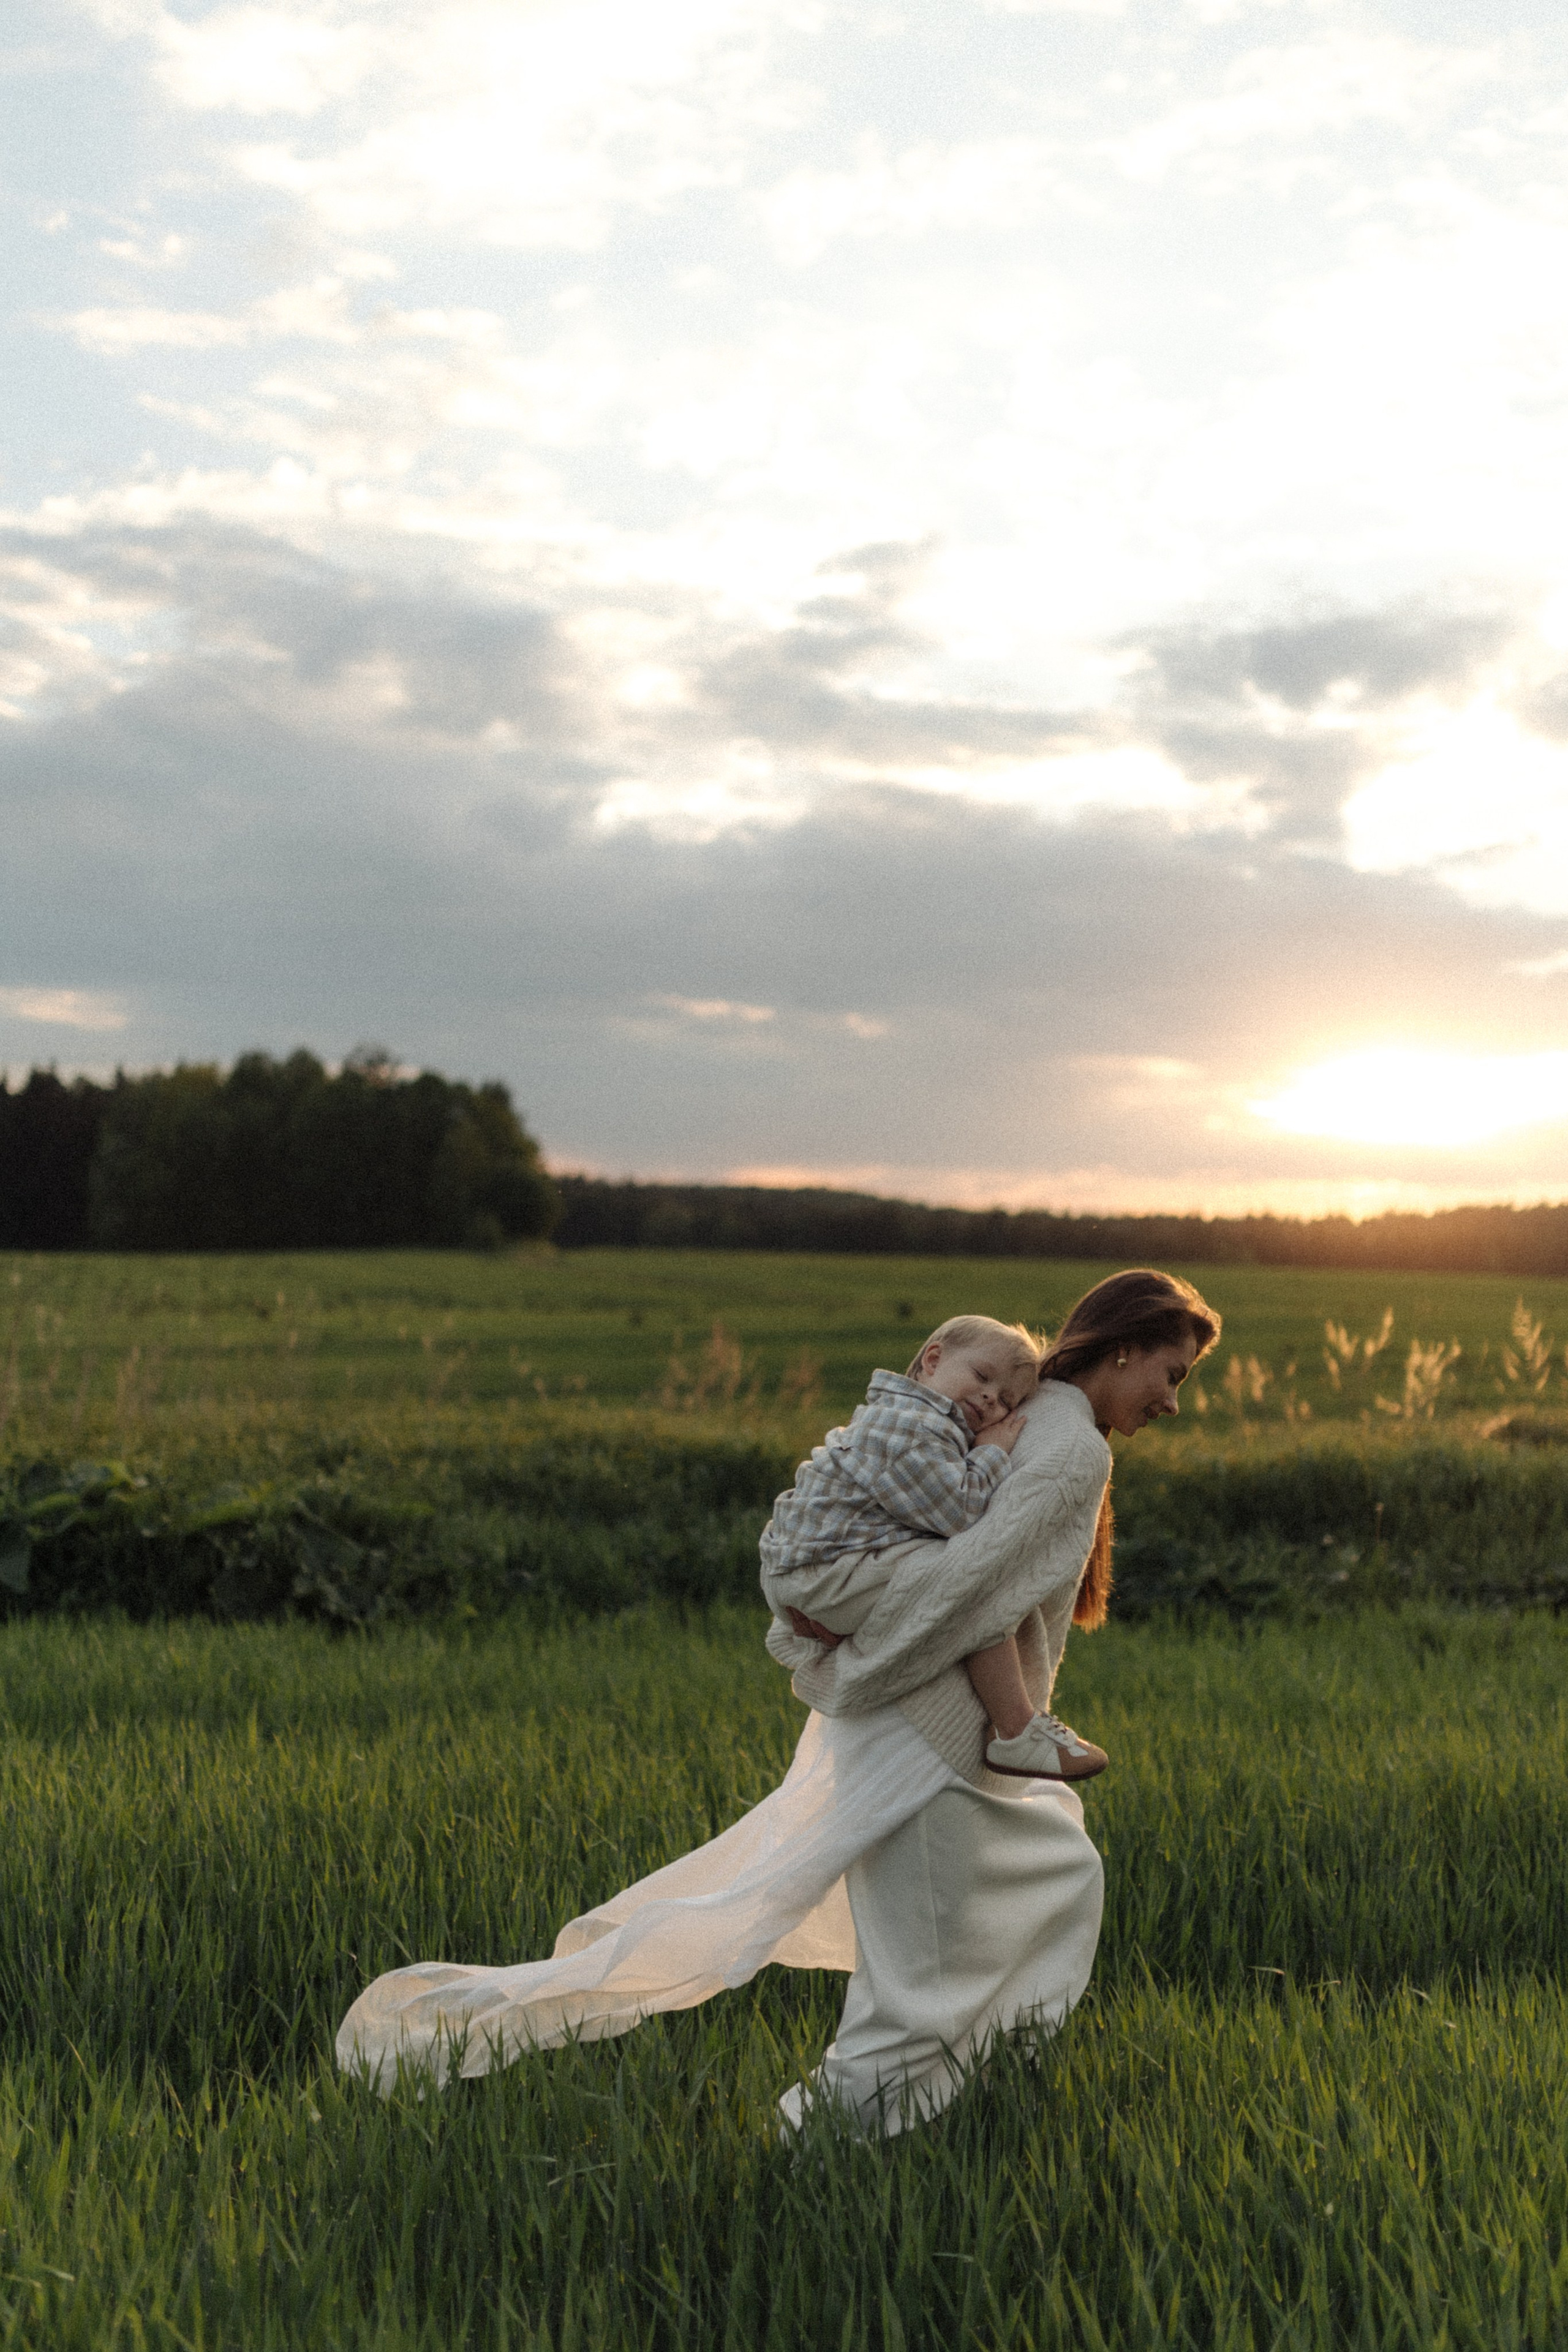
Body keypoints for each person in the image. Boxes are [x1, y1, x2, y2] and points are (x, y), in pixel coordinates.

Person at [335, 1268, 1221, 2136]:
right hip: (930, 1732)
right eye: (1171, 1375)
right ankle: (824, 2147)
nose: (1174, 1401)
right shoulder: (1069, 1446)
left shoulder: (1037, 1424)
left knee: (1044, 1875)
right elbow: (969, 1588)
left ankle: (968, 2095)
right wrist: (848, 1667)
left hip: (934, 1725)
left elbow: (934, 1557)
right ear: (1122, 1348)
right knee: (929, 1964)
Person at [758, 1313, 1109, 1783]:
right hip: (824, 1572)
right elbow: (956, 1512)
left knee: (952, 1576)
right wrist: (991, 1452)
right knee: (969, 1584)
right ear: (933, 1359)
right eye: (982, 1377)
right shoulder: (908, 1426)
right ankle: (1017, 1729)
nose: (990, 1398)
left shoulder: (918, 1420)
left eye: (1006, 1400)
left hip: (822, 1567)